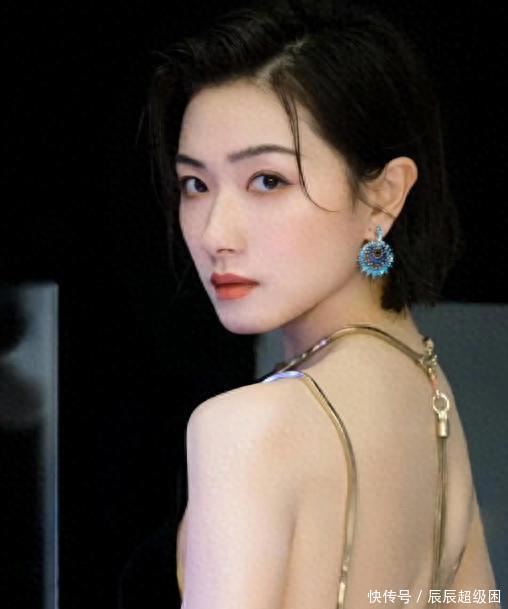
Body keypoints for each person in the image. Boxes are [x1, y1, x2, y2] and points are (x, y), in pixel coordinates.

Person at [146, 3, 500, 608]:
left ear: (384, 195)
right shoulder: (429, 390)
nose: (214, 233)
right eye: (195, 185)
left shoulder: (245, 427)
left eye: (268, 181)